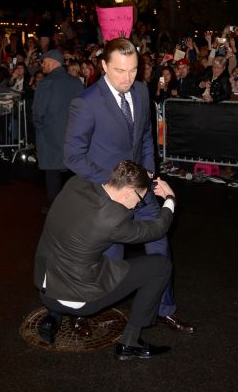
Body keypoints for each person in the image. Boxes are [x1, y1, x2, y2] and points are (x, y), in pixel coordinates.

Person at [64, 37, 195, 334]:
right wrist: (112, 185)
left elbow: (146, 136)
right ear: (103, 66)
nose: (128, 78)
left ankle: (164, 309)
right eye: (120, 70)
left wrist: (148, 171)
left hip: (143, 191)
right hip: (108, 196)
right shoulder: (86, 102)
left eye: (133, 70)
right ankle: (87, 310)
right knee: (109, 258)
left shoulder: (140, 91)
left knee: (160, 247)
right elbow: (72, 156)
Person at [34, 160, 178, 360]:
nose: (138, 205)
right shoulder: (113, 221)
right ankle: (130, 342)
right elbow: (157, 228)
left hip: (45, 285)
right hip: (75, 298)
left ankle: (55, 315)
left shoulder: (76, 183)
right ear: (128, 192)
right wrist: (170, 199)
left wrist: (141, 176)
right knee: (160, 266)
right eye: (139, 199)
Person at [33, 49, 84, 213]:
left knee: (52, 171)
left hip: (50, 134)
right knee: (73, 170)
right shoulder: (76, 82)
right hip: (73, 134)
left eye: (44, 61)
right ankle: (76, 203)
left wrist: (39, 129)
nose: (42, 65)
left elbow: (38, 112)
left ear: (52, 62)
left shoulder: (45, 83)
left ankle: (55, 207)